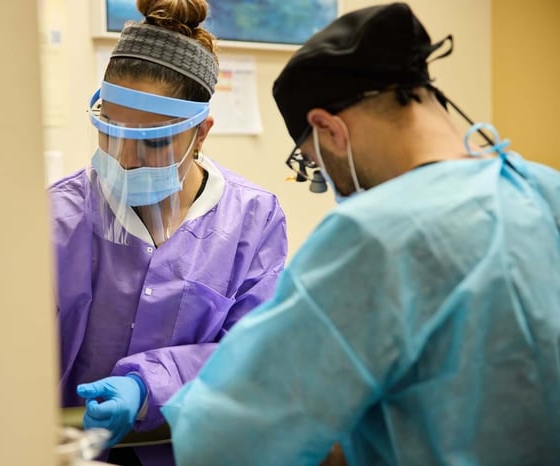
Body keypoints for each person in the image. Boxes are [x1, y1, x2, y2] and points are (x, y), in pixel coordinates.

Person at [162, 3, 560, 465]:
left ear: (328, 129)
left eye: (313, 164)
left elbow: (229, 441)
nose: (324, 178)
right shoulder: (543, 189)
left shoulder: (375, 235)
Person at [48, 0, 288, 464]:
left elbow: (256, 352)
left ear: (200, 134)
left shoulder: (252, 219)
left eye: (154, 142)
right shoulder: (57, 216)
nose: (126, 160)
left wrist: (146, 386)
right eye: (111, 132)